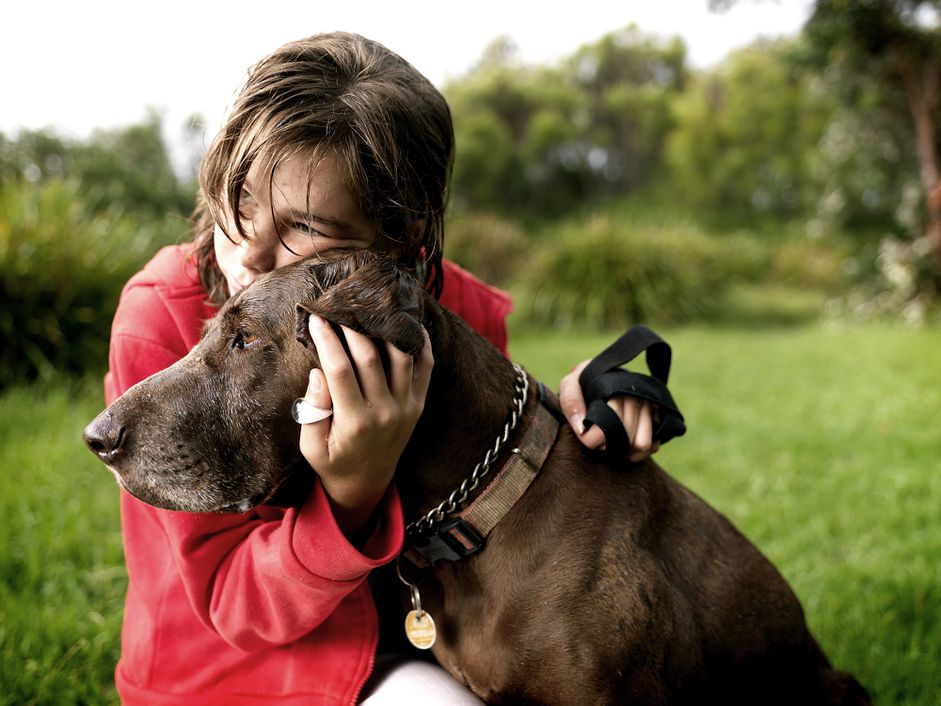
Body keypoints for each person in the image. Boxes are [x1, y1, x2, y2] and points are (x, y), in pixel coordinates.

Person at [104, 31, 661, 705]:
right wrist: (351, 490)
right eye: (242, 200)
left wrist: (566, 418)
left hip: (426, 636)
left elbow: (484, 473)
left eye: (303, 226)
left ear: (401, 237)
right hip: (250, 671)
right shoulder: (161, 314)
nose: (247, 251)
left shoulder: (452, 313)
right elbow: (231, 601)